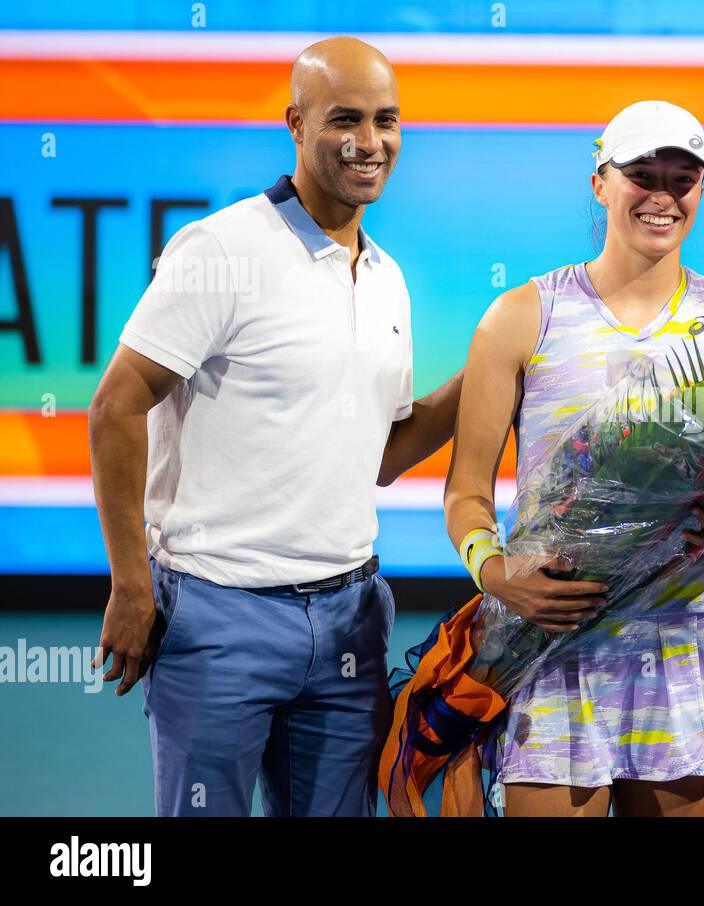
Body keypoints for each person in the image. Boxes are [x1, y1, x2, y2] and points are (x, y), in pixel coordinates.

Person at [87, 36, 462, 816]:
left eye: (386, 120)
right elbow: (117, 404)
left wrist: (491, 373)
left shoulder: (387, 279)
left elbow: (381, 456)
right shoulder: (221, 249)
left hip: (352, 622)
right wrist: (129, 582)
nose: (370, 142)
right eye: (345, 119)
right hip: (217, 622)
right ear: (295, 124)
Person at [443, 100, 704, 817]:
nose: (663, 195)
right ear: (600, 182)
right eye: (642, 174)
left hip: (683, 645)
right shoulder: (520, 317)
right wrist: (498, 574)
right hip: (554, 644)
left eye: (682, 179)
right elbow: (465, 491)